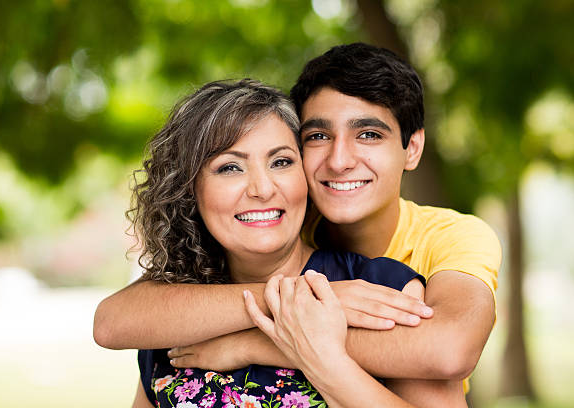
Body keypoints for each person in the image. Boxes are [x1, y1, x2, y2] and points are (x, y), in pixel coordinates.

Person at [95, 43, 501, 406]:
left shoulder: (411, 267)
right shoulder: (191, 303)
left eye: (370, 134)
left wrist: (269, 335)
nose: (340, 160)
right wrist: (288, 297)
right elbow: (113, 322)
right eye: (319, 136)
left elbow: (448, 351)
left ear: (411, 148)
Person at [123, 79, 428, 407]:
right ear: (188, 191)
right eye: (230, 167)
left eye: (281, 162)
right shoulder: (171, 314)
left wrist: (319, 360)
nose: (262, 189)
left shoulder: (381, 289)